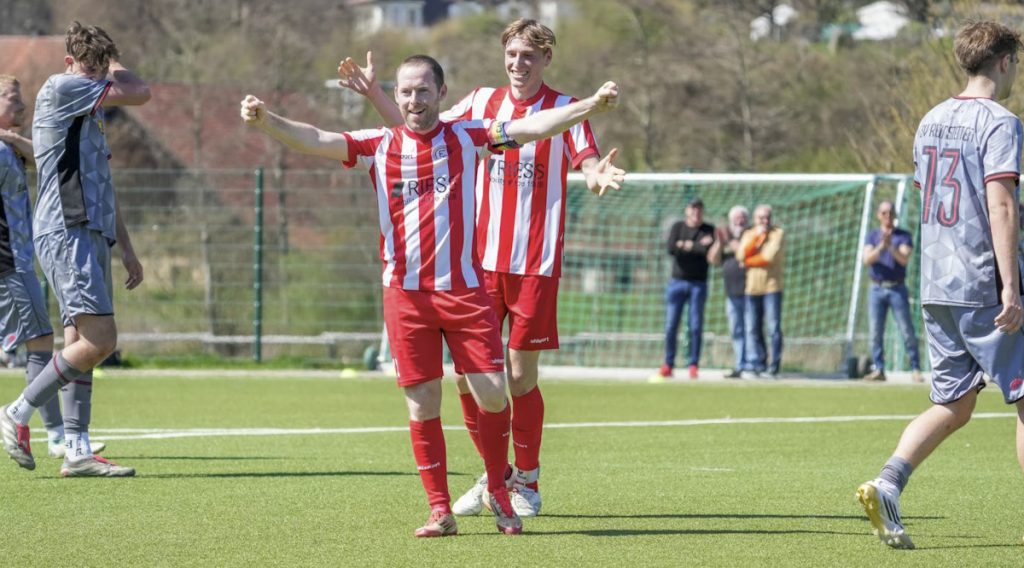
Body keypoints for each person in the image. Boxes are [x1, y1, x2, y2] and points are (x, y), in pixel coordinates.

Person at [242, 54, 619, 537]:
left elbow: (533, 127)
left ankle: (498, 488)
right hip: (406, 298)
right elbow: (316, 138)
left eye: (423, 90)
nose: (414, 99)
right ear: (397, 96)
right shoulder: (378, 144)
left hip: (465, 293)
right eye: (405, 91)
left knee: (493, 393)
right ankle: (439, 510)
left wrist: (589, 106)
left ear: (441, 94)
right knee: (422, 404)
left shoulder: (468, 136)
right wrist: (266, 120)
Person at [337, 19, 625, 518]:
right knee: (467, 380)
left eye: (528, 56)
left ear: (546, 59)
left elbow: (588, 161)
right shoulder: (479, 103)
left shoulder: (566, 108)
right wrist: (376, 96)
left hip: (534, 262)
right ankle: (497, 478)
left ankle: (527, 480)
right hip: (476, 267)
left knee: (519, 376)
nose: (518, 64)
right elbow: (418, 131)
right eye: (512, 54)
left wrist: (596, 174)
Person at [856, 21, 1024, 550]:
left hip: (935, 282)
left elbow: (928, 194)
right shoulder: (1001, 122)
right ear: (1004, 62)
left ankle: (888, 484)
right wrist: (1011, 286)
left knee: (955, 403)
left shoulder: (930, 120)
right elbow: (1001, 205)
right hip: (982, 280)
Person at [0, 22, 147, 476]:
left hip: (89, 230)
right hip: (68, 228)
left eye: (101, 69)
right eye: (91, 68)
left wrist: (126, 247)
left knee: (79, 343)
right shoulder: (63, 87)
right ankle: (17, 411)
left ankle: (77, 451)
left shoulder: (90, 108)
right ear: (70, 64)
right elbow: (140, 91)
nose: (97, 77)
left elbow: (105, 185)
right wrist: (112, 59)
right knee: (102, 340)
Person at [0, 75, 108, 461]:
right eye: (12, 98)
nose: (21, 105)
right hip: (9, 263)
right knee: (41, 343)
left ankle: (57, 434)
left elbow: (43, 160)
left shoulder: (9, 147)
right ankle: (52, 433)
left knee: (41, 341)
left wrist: (12, 138)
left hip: (20, 259)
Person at [862, 200, 924, 383]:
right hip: (877, 288)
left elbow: (904, 259)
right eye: (884, 213)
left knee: (906, 330)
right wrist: (881, 246)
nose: (887, 216)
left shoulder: (903, 236)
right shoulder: (872, 236)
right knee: (875, 331)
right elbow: (867, 259)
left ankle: (915, 368)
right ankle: (879, 368)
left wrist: (890, 246)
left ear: (895, 215)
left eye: (890, 212)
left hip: (897, 288)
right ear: (878, 215)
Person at [653, 197, 715, 381]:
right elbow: (672, 249)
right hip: (677, 282)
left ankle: (693, 364)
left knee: (695, 325)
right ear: (687, 210)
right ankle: (668, 364)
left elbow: (706, 252)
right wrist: (696, 245)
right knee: (671, 325)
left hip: (698, 284)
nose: (696, 212)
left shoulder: (708, 229)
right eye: (693, 208)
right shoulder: (677, 227)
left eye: (699, 209)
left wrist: (687, 246)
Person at [739, 204, 784, 378]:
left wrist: (747, 262)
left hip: (772, 287)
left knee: (773, 327)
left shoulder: (777, 233)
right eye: (760, 218)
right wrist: (757, 238)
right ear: (754, 219)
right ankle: (759, 363)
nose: (764, 221)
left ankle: (774, 365)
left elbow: (768, 257)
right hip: (752, 288)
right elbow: (740, 254)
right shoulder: (749, 234)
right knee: (753, 328)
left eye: (767, 217)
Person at [709, 205, 749, 379]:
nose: (739, 221)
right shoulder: (726, 239)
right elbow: (713, 259)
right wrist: (719, 241)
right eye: (736, 219)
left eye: (742, 218)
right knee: (736, 330)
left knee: (751, 330)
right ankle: (740, 365)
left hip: (751, 292)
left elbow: (742, 252)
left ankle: (753, 364)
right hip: (732, 293)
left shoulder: (751, 236)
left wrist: (730, 239)